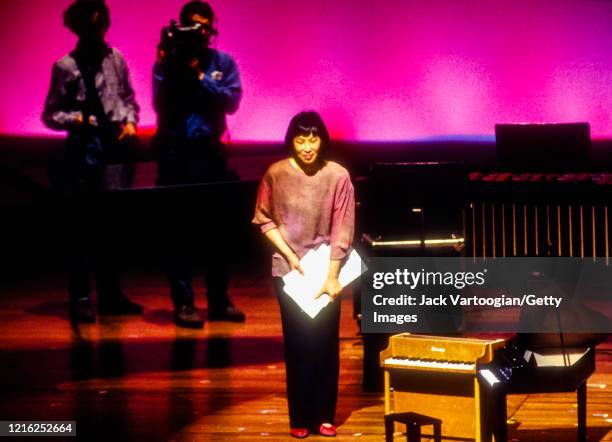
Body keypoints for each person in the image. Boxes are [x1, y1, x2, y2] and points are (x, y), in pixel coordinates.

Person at [252, 111, 355, 438]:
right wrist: (288, 254)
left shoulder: (338, 176)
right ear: (291, 141)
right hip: (289, 271)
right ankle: (300, 415)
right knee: (297, 344)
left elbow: (342, 229)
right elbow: (263, 219)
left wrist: (332, 275)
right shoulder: (276, 173)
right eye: (300, 140)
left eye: (313, 139)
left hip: (326, 268)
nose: (307, 147)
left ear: (322, 139)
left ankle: (325, 414)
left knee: (324, 343)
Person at [42, 0, 142, 323]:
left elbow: (128, 98)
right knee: (82, 227)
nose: (98, 30)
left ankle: (112, 294)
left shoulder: (117, 59)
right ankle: (82, 297)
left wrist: (129, 122)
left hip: (115, 147)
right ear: (78, 26)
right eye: (90, 24)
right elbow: (51, 114)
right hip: (84, 148)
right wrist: (78, 121)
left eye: (101, 23)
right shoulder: (66, 66)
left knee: (114, 226)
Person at [152, 0, 245, 328]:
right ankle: (184, 303)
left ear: (212, 30)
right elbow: (158, 104)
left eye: (205, 26)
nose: (200, 32)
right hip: (176, 155)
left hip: (211, 155)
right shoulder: (168, 62)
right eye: (193, 26)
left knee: (217, 232)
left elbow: (232, 101)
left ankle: (219, 300)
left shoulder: (223, 62)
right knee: (177, 233)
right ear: (181, 27)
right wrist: (168, 65)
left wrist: (199, 74)